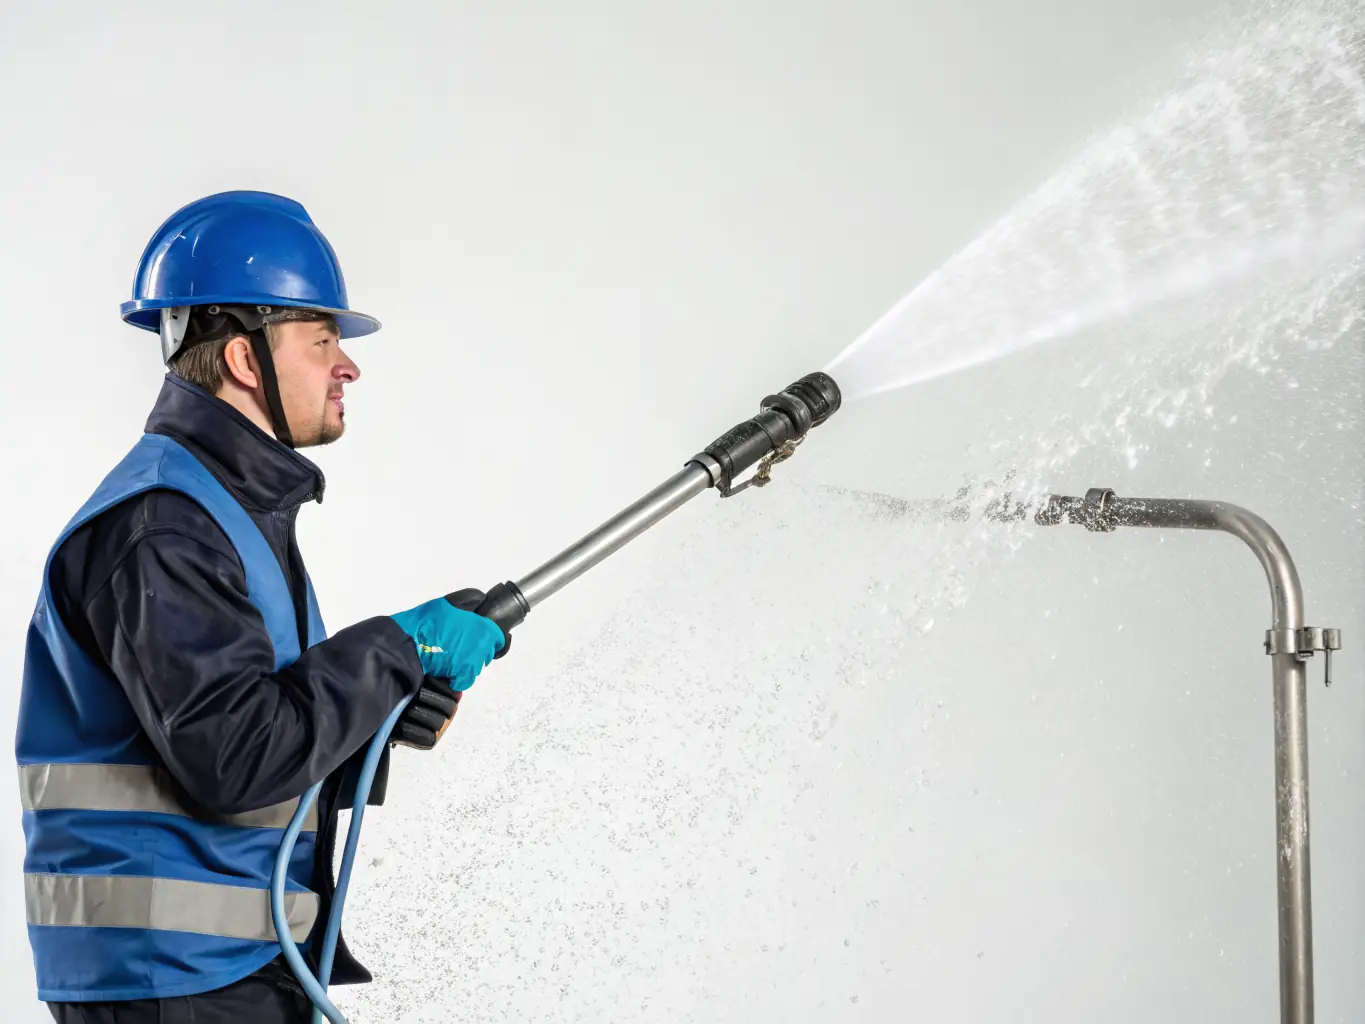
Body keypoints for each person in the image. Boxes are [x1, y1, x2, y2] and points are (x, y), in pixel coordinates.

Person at [15, 190, 510, 1022]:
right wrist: (397, 649)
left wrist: (378, 720)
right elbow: (235, 760)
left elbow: (229, 739)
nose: (347, 367)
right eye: (322, 341)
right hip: (174, 981)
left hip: (221, 970)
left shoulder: (223, 511)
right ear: (246, 359)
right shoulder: (163, 527)